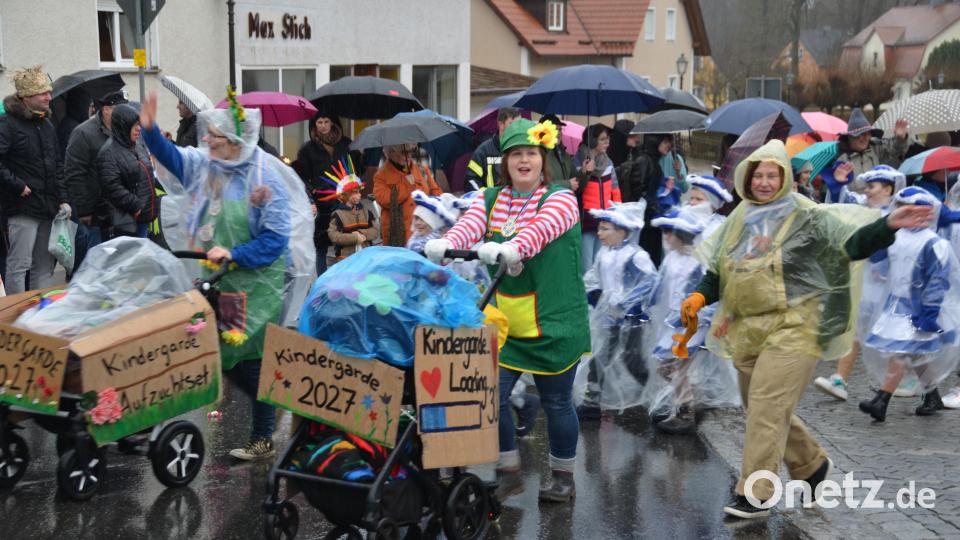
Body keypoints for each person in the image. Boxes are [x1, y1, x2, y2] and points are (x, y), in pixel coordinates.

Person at [678, 139, 934, 519]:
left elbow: (849, 245)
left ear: (784, 178)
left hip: (796, 325)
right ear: (746, 179)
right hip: (749, 328)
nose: (764, 182)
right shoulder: (740, 218)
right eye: (758, 175)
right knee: (762, 408)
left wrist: (886, 226)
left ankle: (756, 494)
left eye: (772, 175)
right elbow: (720, 269)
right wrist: (700, 296)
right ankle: (812, 465)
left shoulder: (806, 216)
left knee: (767, 406)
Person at [138, 90, 315, 461]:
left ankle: (264, 432)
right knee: (230, 355)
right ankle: (268, 412)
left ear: (235, 141)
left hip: (257, 285)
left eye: (214, 136)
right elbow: (174, 158)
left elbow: (275, 241)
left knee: (245, 356)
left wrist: (235, 254)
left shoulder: (266, 179)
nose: (206, 140)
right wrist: (151, 130)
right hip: (223, 280)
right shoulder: (208, 166)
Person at [425, 118, 589, 503]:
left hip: (555, 320)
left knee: (557, 403)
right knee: (490, 396)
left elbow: (540, 230)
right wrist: (444, 245)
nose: (524, 160)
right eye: (516, 154)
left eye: (531, 153)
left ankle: (563, 476)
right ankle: (509, 470)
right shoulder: (490, 198)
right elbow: (469, 226)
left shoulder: (561, 198)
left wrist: (513, 247)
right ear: (505, 161)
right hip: (508, 323)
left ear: (543, 159)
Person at [858, 186, 960, 422]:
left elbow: (938, 281)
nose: (903, 213)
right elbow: (876, 257)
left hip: (919, 310)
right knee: (913, 354)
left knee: (901, 353)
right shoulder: (895, 236)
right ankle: (932, 396)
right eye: (900, 208)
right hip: (895, 305)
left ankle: (881, 401)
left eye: (909, 209)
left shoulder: (934, 243)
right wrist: (883, 232)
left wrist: (929, 313)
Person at [643, 203, 740, 435]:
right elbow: (660, 285)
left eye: (670, 232)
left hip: (693, 325)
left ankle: (685, 410)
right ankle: (684, 403)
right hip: (673, 322)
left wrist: (707, 318)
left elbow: (710, 292)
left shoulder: (699, 261)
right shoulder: (671, 258)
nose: (666, 237)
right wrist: (647, 304)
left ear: (682, 234)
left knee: (677, 366)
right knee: (667, 366)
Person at [813, 165, 907, 401]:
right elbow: (839, 206)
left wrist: (885, 264)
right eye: (866, 186)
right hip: (864, 284)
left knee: (893, 337)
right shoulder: (862, 209)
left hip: (889, 287)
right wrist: (837, 184)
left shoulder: (899, 213)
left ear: (887, 189)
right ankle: (840, 380)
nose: (866, 191)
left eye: (872, 186)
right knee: (854, 331)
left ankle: (913, 381)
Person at [577, 201, 655, 420]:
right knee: (600, 354)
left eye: (605, 229)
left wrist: (625, 302)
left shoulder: (635, 255)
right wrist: (594, 294)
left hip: (631, 318)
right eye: (599, 228)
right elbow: (594, 276)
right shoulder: (604, 252)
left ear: (621, 231)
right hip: (607, 316)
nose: (599, 233)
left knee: (632, 359)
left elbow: (650, 281)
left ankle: (652, 392)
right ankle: (592, 400)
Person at [0, 65, 71, 294]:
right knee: (19, 265)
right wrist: (18, 186)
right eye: (43, 93)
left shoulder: (47, 124)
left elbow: (57, 165)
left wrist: (63, 199)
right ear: (26, 97)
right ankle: (15, 312)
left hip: (48, 207)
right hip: (21, 207)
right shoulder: (7, 124)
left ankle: (38, 309)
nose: (49, 97)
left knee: (44, 266)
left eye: (48, 92)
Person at [64, 90, 129, 271]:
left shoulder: (124, 129)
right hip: (96, 211)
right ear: (106, 110)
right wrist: (84, 209)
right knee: (97, 260)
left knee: (119, 261)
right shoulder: (83, 133)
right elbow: (74, 173)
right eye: (120, 109)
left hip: (122, 208)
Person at [294, 112, 358, 274]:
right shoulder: (307, 149)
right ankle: (322, 280)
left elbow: (357, 169)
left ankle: (345, 278)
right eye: (319, 122)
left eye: (326, 121)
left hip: (344, 201)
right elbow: (301, 176)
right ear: (314, 125)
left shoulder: (346, 145)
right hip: (321, 203)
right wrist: (312, 193)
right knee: (321, 246)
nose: (323, 126)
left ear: (333, 123)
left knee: (345, 243)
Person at [96, 104, 158, 239]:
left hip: (144, 216)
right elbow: (112, 187)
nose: (138, 128)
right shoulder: (108, 153)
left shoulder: (137, 144)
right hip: (128, 222)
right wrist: (135, 206)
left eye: (139, 124)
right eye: (133, 125)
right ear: (123, 126)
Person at [823, 108, 909, 199]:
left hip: (875, 202)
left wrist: (900, 138)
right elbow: (831, 190)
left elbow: (896, 149)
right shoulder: (838, 157)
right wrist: (837, 181)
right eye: (861, 134)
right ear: (850, 137)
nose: (866, 138)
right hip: (851, 205)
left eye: (868, 134)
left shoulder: (875, 149)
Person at [373, 143, 442, 247]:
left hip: (424, 233)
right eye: (404, 152)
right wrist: (406, 185)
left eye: (411, 152)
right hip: (398, 238)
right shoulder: (381, 175)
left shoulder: (421, 170)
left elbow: (436, 192)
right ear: (391, 152)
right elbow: (385, 200)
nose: (409, 155)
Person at [575, 124, 621, 273]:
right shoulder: (578, 161)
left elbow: (615, 189)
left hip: (605, 220)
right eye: (602, 139)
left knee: (600, 264)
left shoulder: (608, 162)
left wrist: (617, 213)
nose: (607, 142)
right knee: (587, 267)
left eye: (608, 138)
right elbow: (577, 188)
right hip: (587, 221)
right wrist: (585, 172)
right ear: (592, 141)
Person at [324, 167, 378, 266]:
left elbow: (375, 231)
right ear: (346, 195)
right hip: (347, 260)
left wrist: (361, 233)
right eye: (355, 192)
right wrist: (354, 238)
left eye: (359, 192)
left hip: (366, 257)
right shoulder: (338, 214)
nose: (360, 195)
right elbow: (334, 236)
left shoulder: (366, 212)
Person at [466, 107, 520, 190]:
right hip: (491, 198)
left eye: (519, 123)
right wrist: (486, 195)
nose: (517, 128)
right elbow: (471, 179)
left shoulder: (522, 149)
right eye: (512, 124)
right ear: (501, 124)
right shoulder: (483, 151)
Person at [406, 190, 456, 255]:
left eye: (423, 219)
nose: (417, 223)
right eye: (417, 218)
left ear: (434, 222)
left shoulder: (441, 245)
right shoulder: (414, 239)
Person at [685, 174, 733, 239]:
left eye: (699, 199)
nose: (692, 202)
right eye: (691, 198)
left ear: (713, 205)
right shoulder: (686, 217)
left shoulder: (716, 229)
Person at [540, 114, 577, 190]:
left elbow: (576, 182)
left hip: (567, 197)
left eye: (560, 129)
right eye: (555, 129)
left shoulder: (564, 155)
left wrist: (585, 172)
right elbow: (539, 184)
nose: (559, 132)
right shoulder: (539, 154)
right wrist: (567, 184)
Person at [56, 88, 91, 159]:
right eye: (90, 106)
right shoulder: (73, 129)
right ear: (82, 106)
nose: (93, 109)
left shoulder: (72, 123)